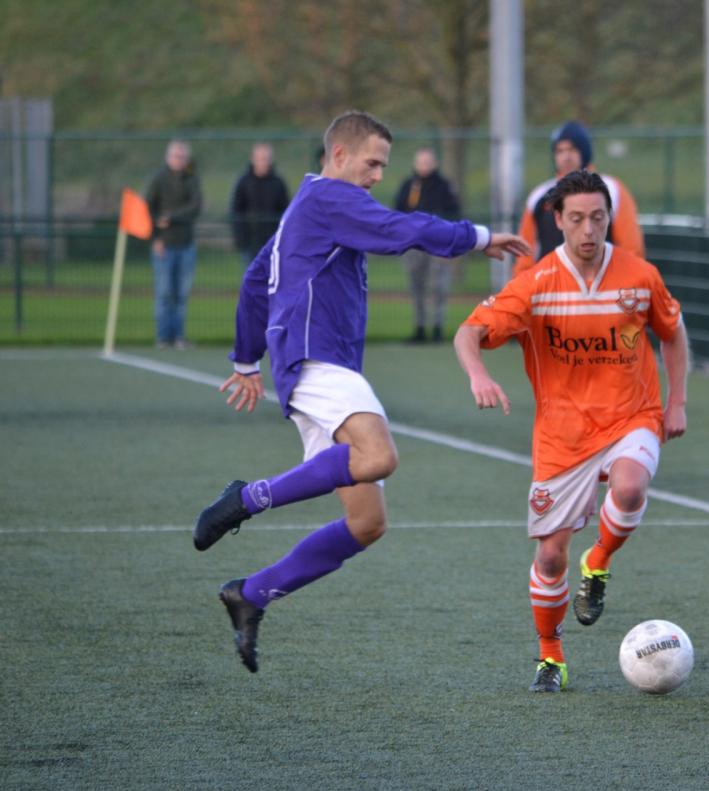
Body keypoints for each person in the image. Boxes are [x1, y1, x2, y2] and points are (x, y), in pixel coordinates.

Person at [192, 111, 531, 673]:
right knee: (379, 456)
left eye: (384, 165)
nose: (377, 175)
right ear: (340, 155)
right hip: (317, 357)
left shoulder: (308, 206)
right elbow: (400, 231)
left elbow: (257, 278)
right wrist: (476, 237)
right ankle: (244, 499)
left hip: (309, 364)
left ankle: (250, 595)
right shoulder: (328, 198)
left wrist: (246, 358)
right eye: (373, 162)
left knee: (367, 523)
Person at [454, 170, 689, 693]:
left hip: (633, 415)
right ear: (557, 220)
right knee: (550, 555)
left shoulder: (639, 276)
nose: (589, 229)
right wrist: (479, 375)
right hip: (562, 437)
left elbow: (672, 333)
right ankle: (551, 657)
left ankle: (599, 560)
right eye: (577, 219)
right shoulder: (536, 285)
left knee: (630, 486)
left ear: (609, 219)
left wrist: (676, 402)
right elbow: (468, 332)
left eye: (598, 218)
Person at [511, 120, 645, 277]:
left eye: (572, 149)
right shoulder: (539, 196)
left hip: (600, 285)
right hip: (552, 288)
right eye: (560, 151)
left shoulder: (612, 189)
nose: (566, 157)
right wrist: (524, 286)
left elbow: (631, 247)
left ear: (585, 151)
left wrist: (628, 283)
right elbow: (525, 253)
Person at [393, 148, 462, 342]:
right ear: (415, 164)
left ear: (435, 163)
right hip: (414, 247)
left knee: (439, 287)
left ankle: (438, 328)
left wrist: (449, 243)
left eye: (428, 162)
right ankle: (420, 328)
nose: (424, 166)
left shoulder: (444, 187)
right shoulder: (409, 185)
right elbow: (398, 212)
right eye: (420, 162)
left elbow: (454, 214)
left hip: (438, 247)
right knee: (417, 287)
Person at [146, 139, 203, 349]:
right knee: (164, 293)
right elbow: (148, 210)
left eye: (183, 157)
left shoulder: (191, 179)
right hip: (164, 246)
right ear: (168, 157)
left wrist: (171, 217)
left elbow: (195, 207)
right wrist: (156, 237)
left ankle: (179, 337)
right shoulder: (158, 179)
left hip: (186, 244)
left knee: (181, 294)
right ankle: (163, 338)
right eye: (176, 156)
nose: (179, 160)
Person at [230, 143, 290, 266]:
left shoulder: (278, 183)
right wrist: (241, 239)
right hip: (250, 243)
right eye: (261, 158)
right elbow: (236, 211)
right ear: (253, 159)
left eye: (266, 158)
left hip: (272, 242)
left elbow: (286, 211)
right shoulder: (243, 182)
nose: (264, 162)